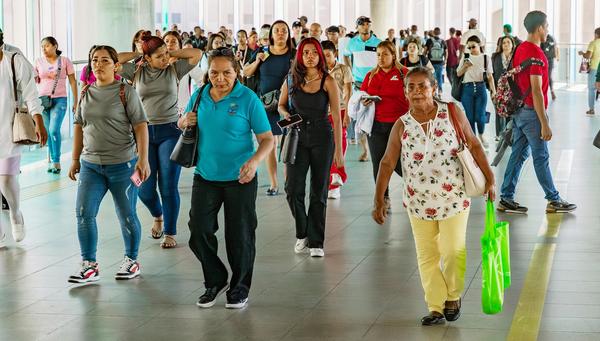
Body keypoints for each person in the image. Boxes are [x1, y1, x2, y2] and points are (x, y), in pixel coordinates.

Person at [372, 66, 496, 326]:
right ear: (405, 92)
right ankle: (436, 306)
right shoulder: (401, 125)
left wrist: (490, 179)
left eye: (422, 86)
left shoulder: (451, 112)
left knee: (452, 250)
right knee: (427, 255)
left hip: (453, 197)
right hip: (418, 202)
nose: (417, 92)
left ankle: (453, 294)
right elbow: (387, 162)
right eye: (411, 87)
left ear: (434, 88)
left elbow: (473, 143)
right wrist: (379, 199)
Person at [180, 47, 274, 309]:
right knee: (198, 231)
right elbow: (184, 122)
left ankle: (239, 288)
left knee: (240, 236)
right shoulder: (199, 95)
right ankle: (216, 279)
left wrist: (254, 161)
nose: (220, 78)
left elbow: (267, 139)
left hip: (240, 178)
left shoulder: (248, 99)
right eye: (214, 73)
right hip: (206, 175)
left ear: (236, 72)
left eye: (226, 73)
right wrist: (184, 120)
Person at [67, 45, 149, 283]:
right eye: (94, 60)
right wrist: (74, 159)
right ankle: (89, 264)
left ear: (116, 66)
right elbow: (79, 126)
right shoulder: (85, 92)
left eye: (104, 60)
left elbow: (140, 125)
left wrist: (142, 159)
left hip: (123, 165)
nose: (98, 64)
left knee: (126, 214)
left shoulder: (126, 91)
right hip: (91, 165)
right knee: (83, 213)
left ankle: (132, 260)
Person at [118, 33, 202, 248]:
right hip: (143, 133)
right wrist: (141, 53)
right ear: (147, 59)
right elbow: (116, 59)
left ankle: (170, 232)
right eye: (159, 56)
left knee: (168, 185)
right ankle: (158, 215)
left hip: (170, 132)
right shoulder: (136, 72)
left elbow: (196, 54)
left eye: (166, 54)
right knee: (144, 188)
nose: (165, 59)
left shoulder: (174, 69)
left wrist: (169, 52)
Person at [498, 10, 577, 214]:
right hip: (532, 113)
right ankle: (553, 199)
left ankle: (506, 197)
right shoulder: (536, 53)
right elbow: (536, 90)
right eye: (547, 26)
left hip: (518, 111)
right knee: (540, 156)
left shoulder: (519, 49)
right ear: (540, 28)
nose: (547, 30)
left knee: (518, 155)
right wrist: (544, 122)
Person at [278, 38, 343, 258]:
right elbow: (280, 105)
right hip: (297, 136)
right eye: (305, 52)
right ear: (300, 55)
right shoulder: (291, 78)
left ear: (320, 56)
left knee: (319, 190)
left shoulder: (328, 80)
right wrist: (286, 115)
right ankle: (302, 232)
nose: (310, 56)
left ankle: (317, 241)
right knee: (292, 189)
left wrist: (339, 152)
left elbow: (336, 116)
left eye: (314, 52)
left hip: (322, 136)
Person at [0, 38, 47, 244]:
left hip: (9, 129)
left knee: (6, 180)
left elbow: (30, 93)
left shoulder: (14, 59)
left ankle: (15, 213)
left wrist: (38, 121)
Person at [244, 20, 295, 196]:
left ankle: (289, 182)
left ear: (288, 35)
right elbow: (246, 72)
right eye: (277, 30)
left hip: (289, 105)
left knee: (289, 144)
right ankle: (274, 183)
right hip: (266, 106)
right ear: (271, 34)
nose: (280, 33)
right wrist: (257, 61)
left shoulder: (294, 55)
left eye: (284, 30)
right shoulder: (262, 52)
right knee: (270, 143)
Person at [361, 40, 409, 210]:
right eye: (378, 54)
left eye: (385, 54)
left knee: (400, 162)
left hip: (399, 125)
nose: (381, 58)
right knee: (379, 162)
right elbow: (363, 95)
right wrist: (365, 101)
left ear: (393, 55)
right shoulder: (371, 75)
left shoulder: (404, 73)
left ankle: (415, 188)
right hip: (376, 125)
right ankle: (383, 198)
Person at [34, 36, 77, 174]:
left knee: (53, 130)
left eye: (46, 46)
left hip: (60, 100)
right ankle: (52, 161)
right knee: (47, 131)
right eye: (42, 47)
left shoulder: (64, 61)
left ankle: (56, 161)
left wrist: (76, 101)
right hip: (43, 101)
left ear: (55, 46)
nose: (44, 49)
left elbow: (72, 82)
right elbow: (33, 80)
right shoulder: (38, 62)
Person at [344, 16, 381, 159]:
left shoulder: (378, 42)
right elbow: (346, 55)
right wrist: (350, 68)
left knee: (375, 116)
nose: (365, 27)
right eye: (362, 24)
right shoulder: (352, 43)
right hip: (359, 84)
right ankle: (365, 150)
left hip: (376, 84)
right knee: (360, 118)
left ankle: (376, 148)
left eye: (368, 24)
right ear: (357, 27)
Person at [322, 40, 352, 199]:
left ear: (335, 54)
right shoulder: (318, 71)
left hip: (339, 110)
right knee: (327, 146)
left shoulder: (344, 69)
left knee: (340, 142)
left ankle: (337, 176)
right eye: (323, 55)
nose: (325, 58)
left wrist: (347, 113)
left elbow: (348, 92)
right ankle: (331, 181)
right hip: (323, 112)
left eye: (328, 55)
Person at [456, 35, 496, 148]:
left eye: (473, 46)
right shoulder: (465, 57)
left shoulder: (485, 58)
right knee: (470, 117)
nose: (471, 49)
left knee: (480, 116)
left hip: (481, 88)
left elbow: (490, 76)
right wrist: (465, 66)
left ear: (479, 45)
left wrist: (494, 91)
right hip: (467, 89)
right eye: (469, 47)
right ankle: (473, 141)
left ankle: (482, 134)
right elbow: (458, 73)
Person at [163, 32, 204, 115]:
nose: (169, 44)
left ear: (179, 46)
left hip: (182, 110)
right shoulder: (158, 64)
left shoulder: (186, 63)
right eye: (166, 41)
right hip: (162, 112)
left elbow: (202, 81)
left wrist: (195, 100)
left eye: (173, 42)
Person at [491, 36, 515, 137]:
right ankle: (499, 135)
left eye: (508, 42)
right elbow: (490, 74)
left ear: (512, 44)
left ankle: (509, 134)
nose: (506, 44)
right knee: (498, 112)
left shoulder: (516, 56)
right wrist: (492, 91)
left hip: (512, 90)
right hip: (498, 89)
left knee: (511, 112)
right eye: (504, 42)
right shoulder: (495, 57)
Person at [578, 27, 600, 116]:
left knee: (592, 89)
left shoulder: (593, 43)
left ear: (596, 34)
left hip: (595, 68)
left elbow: (588, 56)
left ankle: (591, 109)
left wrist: (582, 53)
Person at [424, 27, 447, 93]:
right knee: (439, 76)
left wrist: (424, 59)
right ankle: (440, 90)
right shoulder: (442, 41)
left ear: (433, 32)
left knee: (431, 77)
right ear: (440, 33)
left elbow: (425, 51)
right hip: (440, 62)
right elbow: (446, 52)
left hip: (430, 62)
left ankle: (433, 91)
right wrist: (445, 60)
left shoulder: (429, 40)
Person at [541, 33, 559, 100]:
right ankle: (551, 91)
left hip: (545, 59)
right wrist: (557, 57)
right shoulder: (552, 38)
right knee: (549, 76)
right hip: (550, 59)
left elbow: (540, 50)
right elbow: (556, 48)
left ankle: (545, 92)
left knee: (545, 76)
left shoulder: (543, 38)